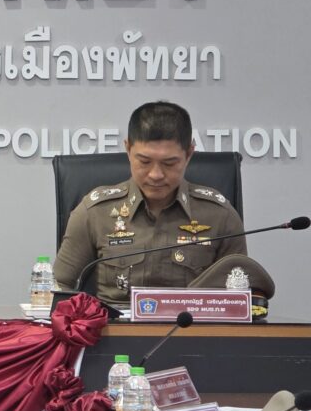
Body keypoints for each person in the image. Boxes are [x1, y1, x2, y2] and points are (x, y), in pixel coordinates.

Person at [54, 101, 273, 305]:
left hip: (194, 331)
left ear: (189, 154)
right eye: (144, 161)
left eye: (169, 163)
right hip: (115, 331)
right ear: (128, 149)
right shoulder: (95, 212)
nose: (156, 174)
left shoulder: (219, 216)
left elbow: (238, 299)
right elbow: (58, 288)